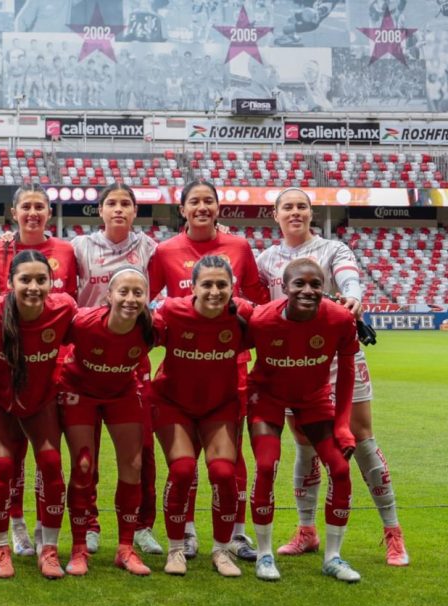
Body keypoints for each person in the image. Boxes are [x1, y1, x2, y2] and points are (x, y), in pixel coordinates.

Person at [256, 188, 408, 565]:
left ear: (311, 213)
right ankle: (307, 530)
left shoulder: (333, 250)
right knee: (305, 441)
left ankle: (393, 531)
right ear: (274, 215)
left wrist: (353, 297)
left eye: (302, 207)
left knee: (360, 438)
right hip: (295, 364)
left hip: (338, 357)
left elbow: (349, 279)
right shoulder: (265, 259)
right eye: (287, 207)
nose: (295, 212)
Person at [148, 179, 269, 562]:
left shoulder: (239, 247)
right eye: (194, 202)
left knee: (230, 462)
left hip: (229, 364)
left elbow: (258, 301)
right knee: (184, 462)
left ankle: (235, 535)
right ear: (181, 209)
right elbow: (147, 302)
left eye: (209, 201)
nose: (202, 207)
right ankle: (185, 532)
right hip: (184, 365)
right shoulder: (165, 251)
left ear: (219, 208)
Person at [245, 259, 361, 583]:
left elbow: (347, 373)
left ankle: (333, 558)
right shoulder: (262, 319)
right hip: (266, 397)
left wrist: (342, 424)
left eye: (315, 284)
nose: (308, 290)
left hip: (314, 399)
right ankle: (265, 554)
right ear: (284, 287)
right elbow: (234, 352)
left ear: (325, 287)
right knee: (266, 466)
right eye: (299, 284)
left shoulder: (339, 319)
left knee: (340, 468)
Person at [0, 183, 78, 559]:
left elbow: (82, 313)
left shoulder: (67, 255)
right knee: (7, 460)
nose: (33, 213)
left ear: (49, 213)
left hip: (45, 378)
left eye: (40, 206)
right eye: (26, 207)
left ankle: (46, 537)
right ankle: (11, 531)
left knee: (50, 461)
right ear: (14, 213)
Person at [70, 183, 160, 557]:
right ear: (100, 211)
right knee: (85, 453)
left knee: (142, 451)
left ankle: (141, 526)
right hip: (86, 359)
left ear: (135, 211)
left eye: (126, 203)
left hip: (130, 361)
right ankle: (89, 523)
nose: (119, 209)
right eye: (111, 203)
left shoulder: (151, 249)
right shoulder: (78, 247)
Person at [151, 256, 250, 578]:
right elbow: (137, 337)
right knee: (182, 471)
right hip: (173, 404)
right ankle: (176, 548)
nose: (214, 291)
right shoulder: (170, 311)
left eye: (222, 284)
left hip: (220, 407)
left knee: (223, 474)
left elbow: (282, 326)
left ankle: (221, 551)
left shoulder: (243, 315)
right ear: (192, 287)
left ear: (232, 288)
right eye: (206, 284)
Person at [58, 267, 153, 577]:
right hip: (79, 392)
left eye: (138, 292)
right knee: (84, 466)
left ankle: (125, 548)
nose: (130, 298)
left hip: (122, 391)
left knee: (134, 465)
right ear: (108, 295)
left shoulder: (152, 327)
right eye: (123, 292)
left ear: (146, 298)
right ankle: (79, 548)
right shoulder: (84, 323)